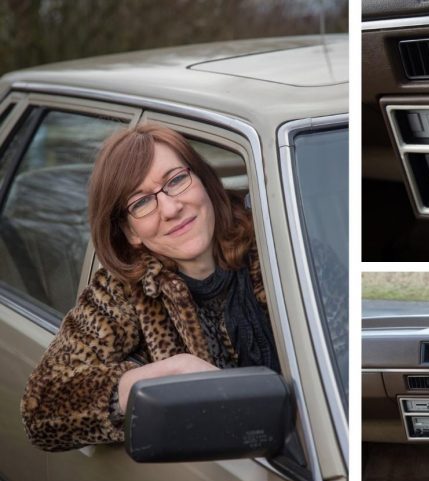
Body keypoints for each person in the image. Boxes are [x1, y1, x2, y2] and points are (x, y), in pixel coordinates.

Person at [20, 123, 279, 452]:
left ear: (203, 181)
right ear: (130, 232)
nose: (171, 209)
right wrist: (161, 376)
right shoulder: (121, 294)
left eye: (176, 180)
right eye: (141, 202)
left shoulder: (281, 247)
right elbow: (41, 409)